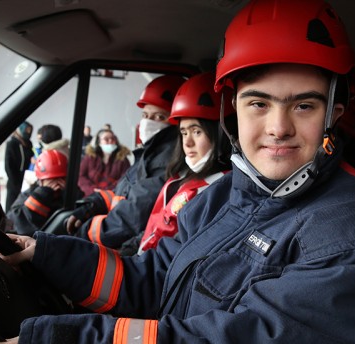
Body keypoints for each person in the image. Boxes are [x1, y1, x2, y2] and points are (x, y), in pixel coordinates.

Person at [0, 1, 355, 344]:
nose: (279, 128)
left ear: (333, 114)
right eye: (259, 103)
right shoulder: (229, 195)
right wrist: (47, 254)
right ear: (233, 109)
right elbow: (153, 280)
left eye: (303, 105)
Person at [64, 74, 187, 250]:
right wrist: (91, 206)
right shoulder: (149, 153)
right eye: (145, 115)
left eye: (159, 117)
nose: (148, 122)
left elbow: (131, 217)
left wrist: (82, 234)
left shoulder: (168, 159)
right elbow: (119, 193)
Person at [131, 71, 233, 254]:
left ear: (220, 135)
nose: (187, 142)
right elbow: (155, 229)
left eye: (196, 131)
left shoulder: (220, 190)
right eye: (184, 133)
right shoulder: (183, 176)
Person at [6, 149, 68, 236]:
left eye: (61, 179)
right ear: (40, 181)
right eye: (51, 180)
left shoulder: (71, 195)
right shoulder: (29, 196)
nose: (57, 184)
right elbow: (15, 222)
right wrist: (44, 194)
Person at [77, 128, 131, 197]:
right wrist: (93, 190)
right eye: (106, 139)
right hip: (90, 197)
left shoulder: (123, 160)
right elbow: (80, 176)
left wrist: (106, 192)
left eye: (113, 138)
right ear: (99, 142)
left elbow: (125, 179)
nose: (110, 141)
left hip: (113, 198)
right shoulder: (89, 158)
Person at [4, 121, 34, 211]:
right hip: (15, 183)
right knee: (12, 208)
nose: (28, 132)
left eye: (30, 130)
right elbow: (8, 166)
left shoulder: (29, 143)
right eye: (27, 130)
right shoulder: (12, 144)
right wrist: (15, 183)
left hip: (27, 181)